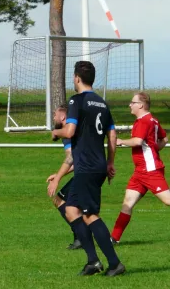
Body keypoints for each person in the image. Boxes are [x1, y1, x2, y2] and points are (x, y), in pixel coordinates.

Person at [51, 61, 125, 277]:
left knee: (90, 214)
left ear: (76, 78)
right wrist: (110, 162)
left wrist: (56, 132)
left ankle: (115, 264)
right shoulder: (102, 103)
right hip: (97, 164)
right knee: (71, 209)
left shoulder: (77, 100)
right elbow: (112, 134)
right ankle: (93, 261)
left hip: (86, 166)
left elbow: (70, 131)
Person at [110, 92, 169, 244]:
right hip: (140, 171)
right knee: (127, 202)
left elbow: (137, 141)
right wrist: (155, 149)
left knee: (168, 200)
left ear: (141, 105)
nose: (130, 105)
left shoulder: (144, 121)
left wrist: (121, 141)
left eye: (133, 102)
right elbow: (164, 139)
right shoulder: (153, 119)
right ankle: (113, 239)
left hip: (150, 170)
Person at [46, 105, 81, 250]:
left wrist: (58, 177)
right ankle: (81, 237)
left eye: (55, 115)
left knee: (60, 201)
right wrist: (59, 174)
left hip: (84, 175)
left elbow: (73, 158)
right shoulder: (72, 132)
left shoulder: (67, 134)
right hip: (90, 171)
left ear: (62, 117)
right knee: (81, 209)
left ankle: (81, 237)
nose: (54, 117)